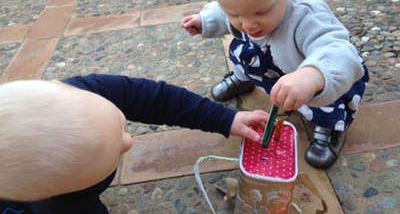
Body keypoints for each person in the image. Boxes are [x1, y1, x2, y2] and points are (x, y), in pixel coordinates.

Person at [181, 0, 369, 169]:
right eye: (234, 12)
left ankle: (330, 128)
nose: (247, 24)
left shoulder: (306, 16)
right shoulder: (246, 7)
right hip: (269, 62)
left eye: (261, 11)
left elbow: (340, 52)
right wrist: (207, 19)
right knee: (242, 50)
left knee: (328, 100)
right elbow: (224, 9)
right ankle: (244, 78)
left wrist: (312, 75)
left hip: (317, 75)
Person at [0, 74, 268, 213]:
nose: (129, 144)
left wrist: (225, 118)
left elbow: (157, 99)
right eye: (117, 149)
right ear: (62, 189)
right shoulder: (60, 206)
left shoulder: (83, 93)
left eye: (121, 123)